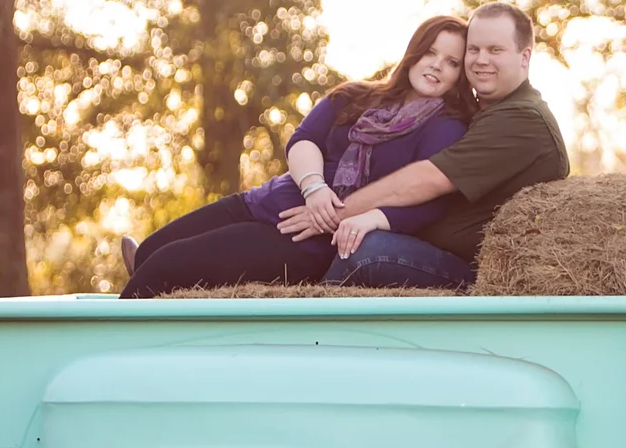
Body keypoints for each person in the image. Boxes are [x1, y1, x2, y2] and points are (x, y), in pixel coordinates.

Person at [120, 16, 474, 296]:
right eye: (431, 52)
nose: (437, 65)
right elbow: (304, 140)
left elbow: (430, 202)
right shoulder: (354, 95)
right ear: (414, 52)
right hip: (271, 199)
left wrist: (355, 217)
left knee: (167, 265)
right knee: (151, 249)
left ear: (460, 74)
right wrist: (315, 188)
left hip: (308, 236)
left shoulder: (446, 127)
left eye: (451, 62)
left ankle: (111, 358)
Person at [289, 1, 570, 290]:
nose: (480, 60)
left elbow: (428, 179)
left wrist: (333, 214)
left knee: (365, 250)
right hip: (421, 244)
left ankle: (310, 332)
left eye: (495, 50)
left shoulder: (522, 119)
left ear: (525, 57)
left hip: (472, 273)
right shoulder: (482, 112)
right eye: (473, 50)